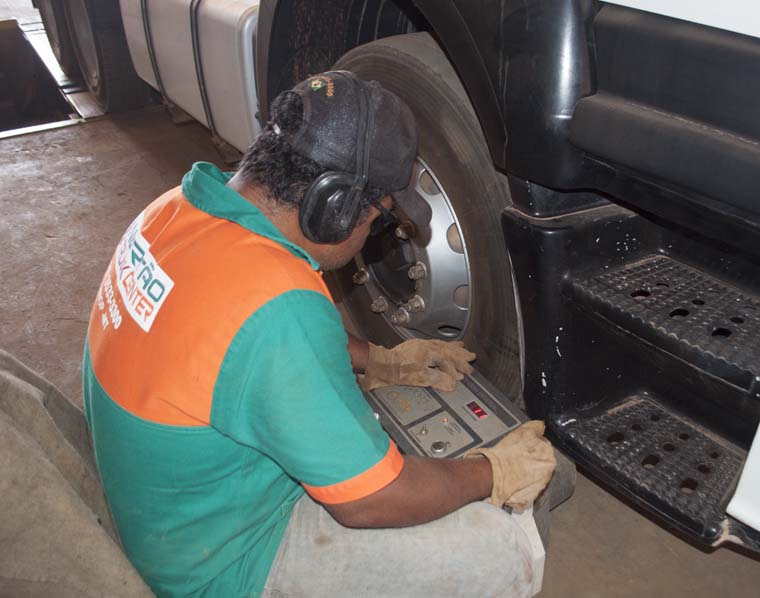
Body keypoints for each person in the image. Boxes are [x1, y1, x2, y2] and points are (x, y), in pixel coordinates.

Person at [82, 71, 556, 598]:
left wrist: (379, 359)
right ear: (335, 207)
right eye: (378, 219)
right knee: (497, 546)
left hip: (169, 520)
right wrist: (489, 471)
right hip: (223, 565)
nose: (372, 236)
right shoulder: (276, 301)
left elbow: (223, 345)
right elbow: (371, 500)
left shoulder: (176, 208)